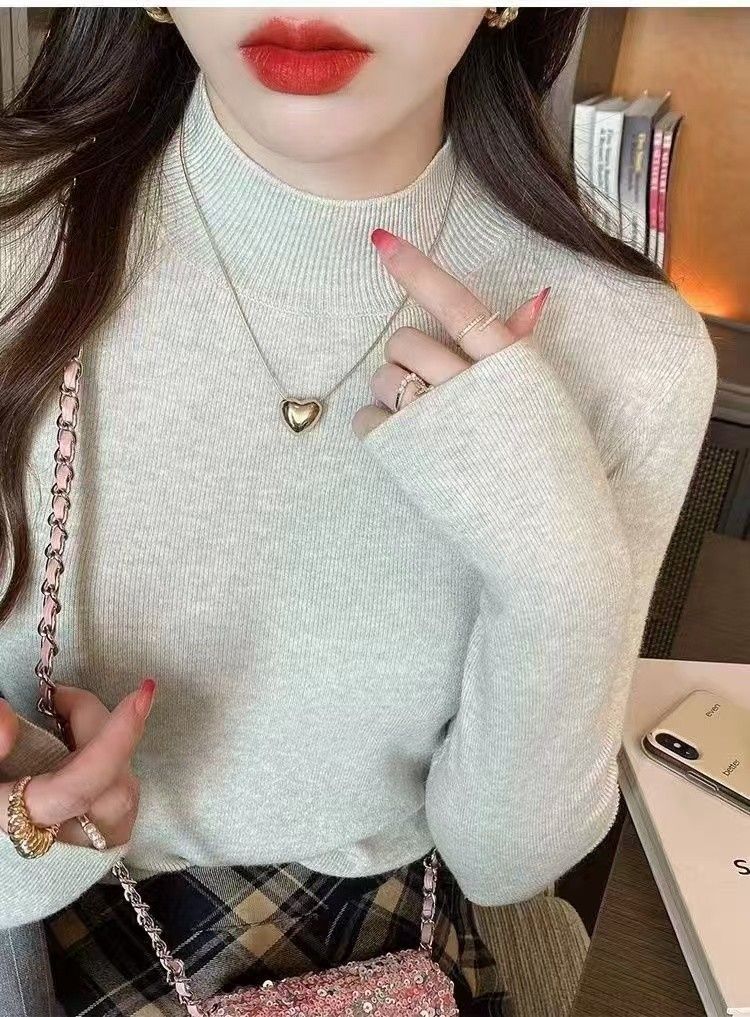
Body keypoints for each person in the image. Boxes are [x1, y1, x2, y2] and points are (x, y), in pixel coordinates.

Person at [0, 7, 716, 1016]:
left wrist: (558, 569)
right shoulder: (18, 252)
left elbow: (507, 865)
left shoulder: (627, 349)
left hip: (388, 951)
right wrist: (28, 838)